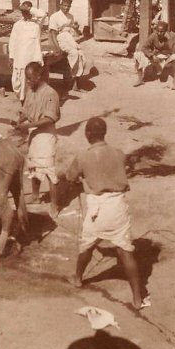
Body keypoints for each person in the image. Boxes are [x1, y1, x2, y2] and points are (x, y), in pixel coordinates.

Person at [65, 116, 149, 310]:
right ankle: (137, 298)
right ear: (104, 134)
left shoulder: (83, 156)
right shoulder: (119, 153)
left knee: (87, 245)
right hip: (118, 205)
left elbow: (70, 177)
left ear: (87, 135)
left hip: (98, 207)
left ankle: (77, 278)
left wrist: (83, 180)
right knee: (125, 250)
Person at [14, 61, 61, 218]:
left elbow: (50, 119)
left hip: (46, 135)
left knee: (49, 171)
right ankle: (35, 196)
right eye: (26, 79)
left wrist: (27, 127)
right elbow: (26, 111)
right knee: (33, 167)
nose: (28, 82)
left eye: (30, 78)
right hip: (34, 134)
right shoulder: (31, 90)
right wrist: (19, 121)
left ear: (39, 76)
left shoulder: (50, 94)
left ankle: (54, 205)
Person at [8, 0, 46, 102]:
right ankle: (23, 101)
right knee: (16, 84)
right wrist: (11, 57)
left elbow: (43, 14)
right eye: (23, 11)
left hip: (31, 59)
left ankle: (25, 105)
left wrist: (29, 8)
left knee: (28, 85)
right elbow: (12, 41)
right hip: (19, 59)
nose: (25, 13)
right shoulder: (17, 25)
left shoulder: (37, 23)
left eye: (27, 10)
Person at [49, 0, 86, 91]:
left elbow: (75, 32)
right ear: (60, 5)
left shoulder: (71, 16)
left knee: (81, 54)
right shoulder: (55, 16)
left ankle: (75, 81)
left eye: (68, 6)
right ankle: (70, 78)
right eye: (64, 5)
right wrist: (58, 48)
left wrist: (76, 28)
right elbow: (53, 33)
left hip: (69, 38)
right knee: (74, 54)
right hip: (60, 38)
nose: (66, 8)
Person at [133, 20, 175, 90]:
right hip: (155, 57)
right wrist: (151, 55)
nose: (159, 33)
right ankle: (140, 79)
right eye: (158, 31)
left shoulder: (172, 36)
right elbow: (144, 47)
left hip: (167, 57)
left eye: (162, 31)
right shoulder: (154, 35)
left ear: (166, 31)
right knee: (138, 55)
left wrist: (169, 39)